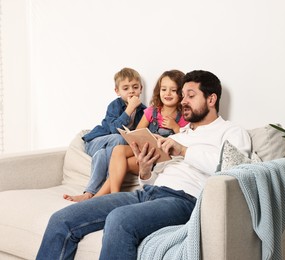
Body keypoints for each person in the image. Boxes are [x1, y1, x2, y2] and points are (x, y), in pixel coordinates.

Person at [37, 70, 251, 260]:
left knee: (120, 220)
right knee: (62, 219)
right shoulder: (183, 134)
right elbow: (154, 176)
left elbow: (234, 170)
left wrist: (183, 151)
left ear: (211, 99)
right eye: (183, 95)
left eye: (191, 96)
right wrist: (146, 169)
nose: (183, 101)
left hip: (185, 201)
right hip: (148, 193)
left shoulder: (231, 131)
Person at [87, 69, 189, 199]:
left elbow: (187, 139)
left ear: (181, 93)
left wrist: (175, 127)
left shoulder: (183, 116)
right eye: (164, 89)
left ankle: (99, 197)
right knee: (118, 150)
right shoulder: (151, 111)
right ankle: (112, 195)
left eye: (173, 90)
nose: (167, 93)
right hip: (147, 150)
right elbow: (138, 132)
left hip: (162, 156)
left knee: (129, 160)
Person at [63, 67, 147, 202]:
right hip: (97, 141)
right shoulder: (115, 105)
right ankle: (110, 190)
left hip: (107, 150)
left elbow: (137, 135)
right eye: (126, 88)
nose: (131, 91)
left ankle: (89, 194)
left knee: (103, 155)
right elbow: (114, 129)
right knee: (118, 138)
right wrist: (130, 109)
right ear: (117, 91)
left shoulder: (144, 111)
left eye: (135, 87)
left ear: (141, 89)